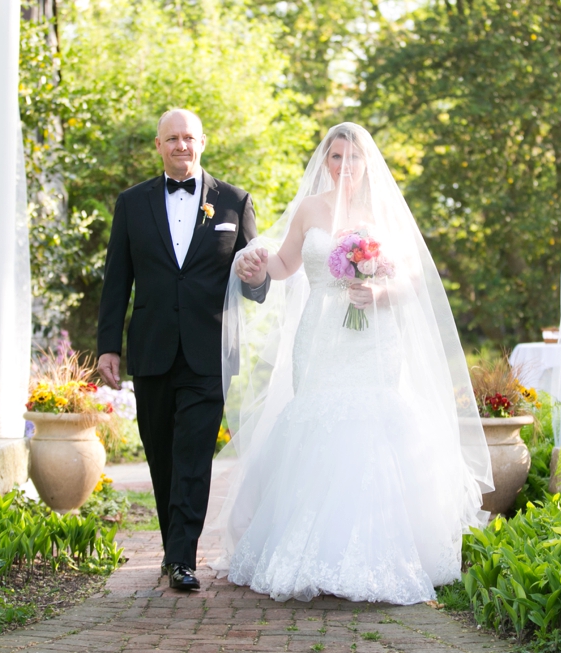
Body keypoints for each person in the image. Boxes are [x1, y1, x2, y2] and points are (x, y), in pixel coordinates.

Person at [206, 123, 494, 605]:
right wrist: (257, 267)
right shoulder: (309, 210)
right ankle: (308, 551)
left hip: (373, 337)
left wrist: (379, 292)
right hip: (319, 336)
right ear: (325, 161)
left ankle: (372, 550)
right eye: (335, 157)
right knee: (317, 420)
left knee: (373, 423)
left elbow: (411, 280)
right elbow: (284, 266)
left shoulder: (384, 213)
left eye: (352, 158)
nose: (343, 166)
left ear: (366, 164)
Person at [97, 109, 268, 591]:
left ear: (202, 141)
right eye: (171, 138)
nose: (181, 145)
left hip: (210, 350)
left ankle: (181, 558)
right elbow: (117, 281)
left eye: (188, 137)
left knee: (194, 452)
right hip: (151, 348)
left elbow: (257, 283)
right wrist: (108, 346)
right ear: (159, 146)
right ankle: (176, 549)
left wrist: (258, 280)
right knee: (161, 453)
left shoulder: (235, 202)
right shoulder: (132, 204)